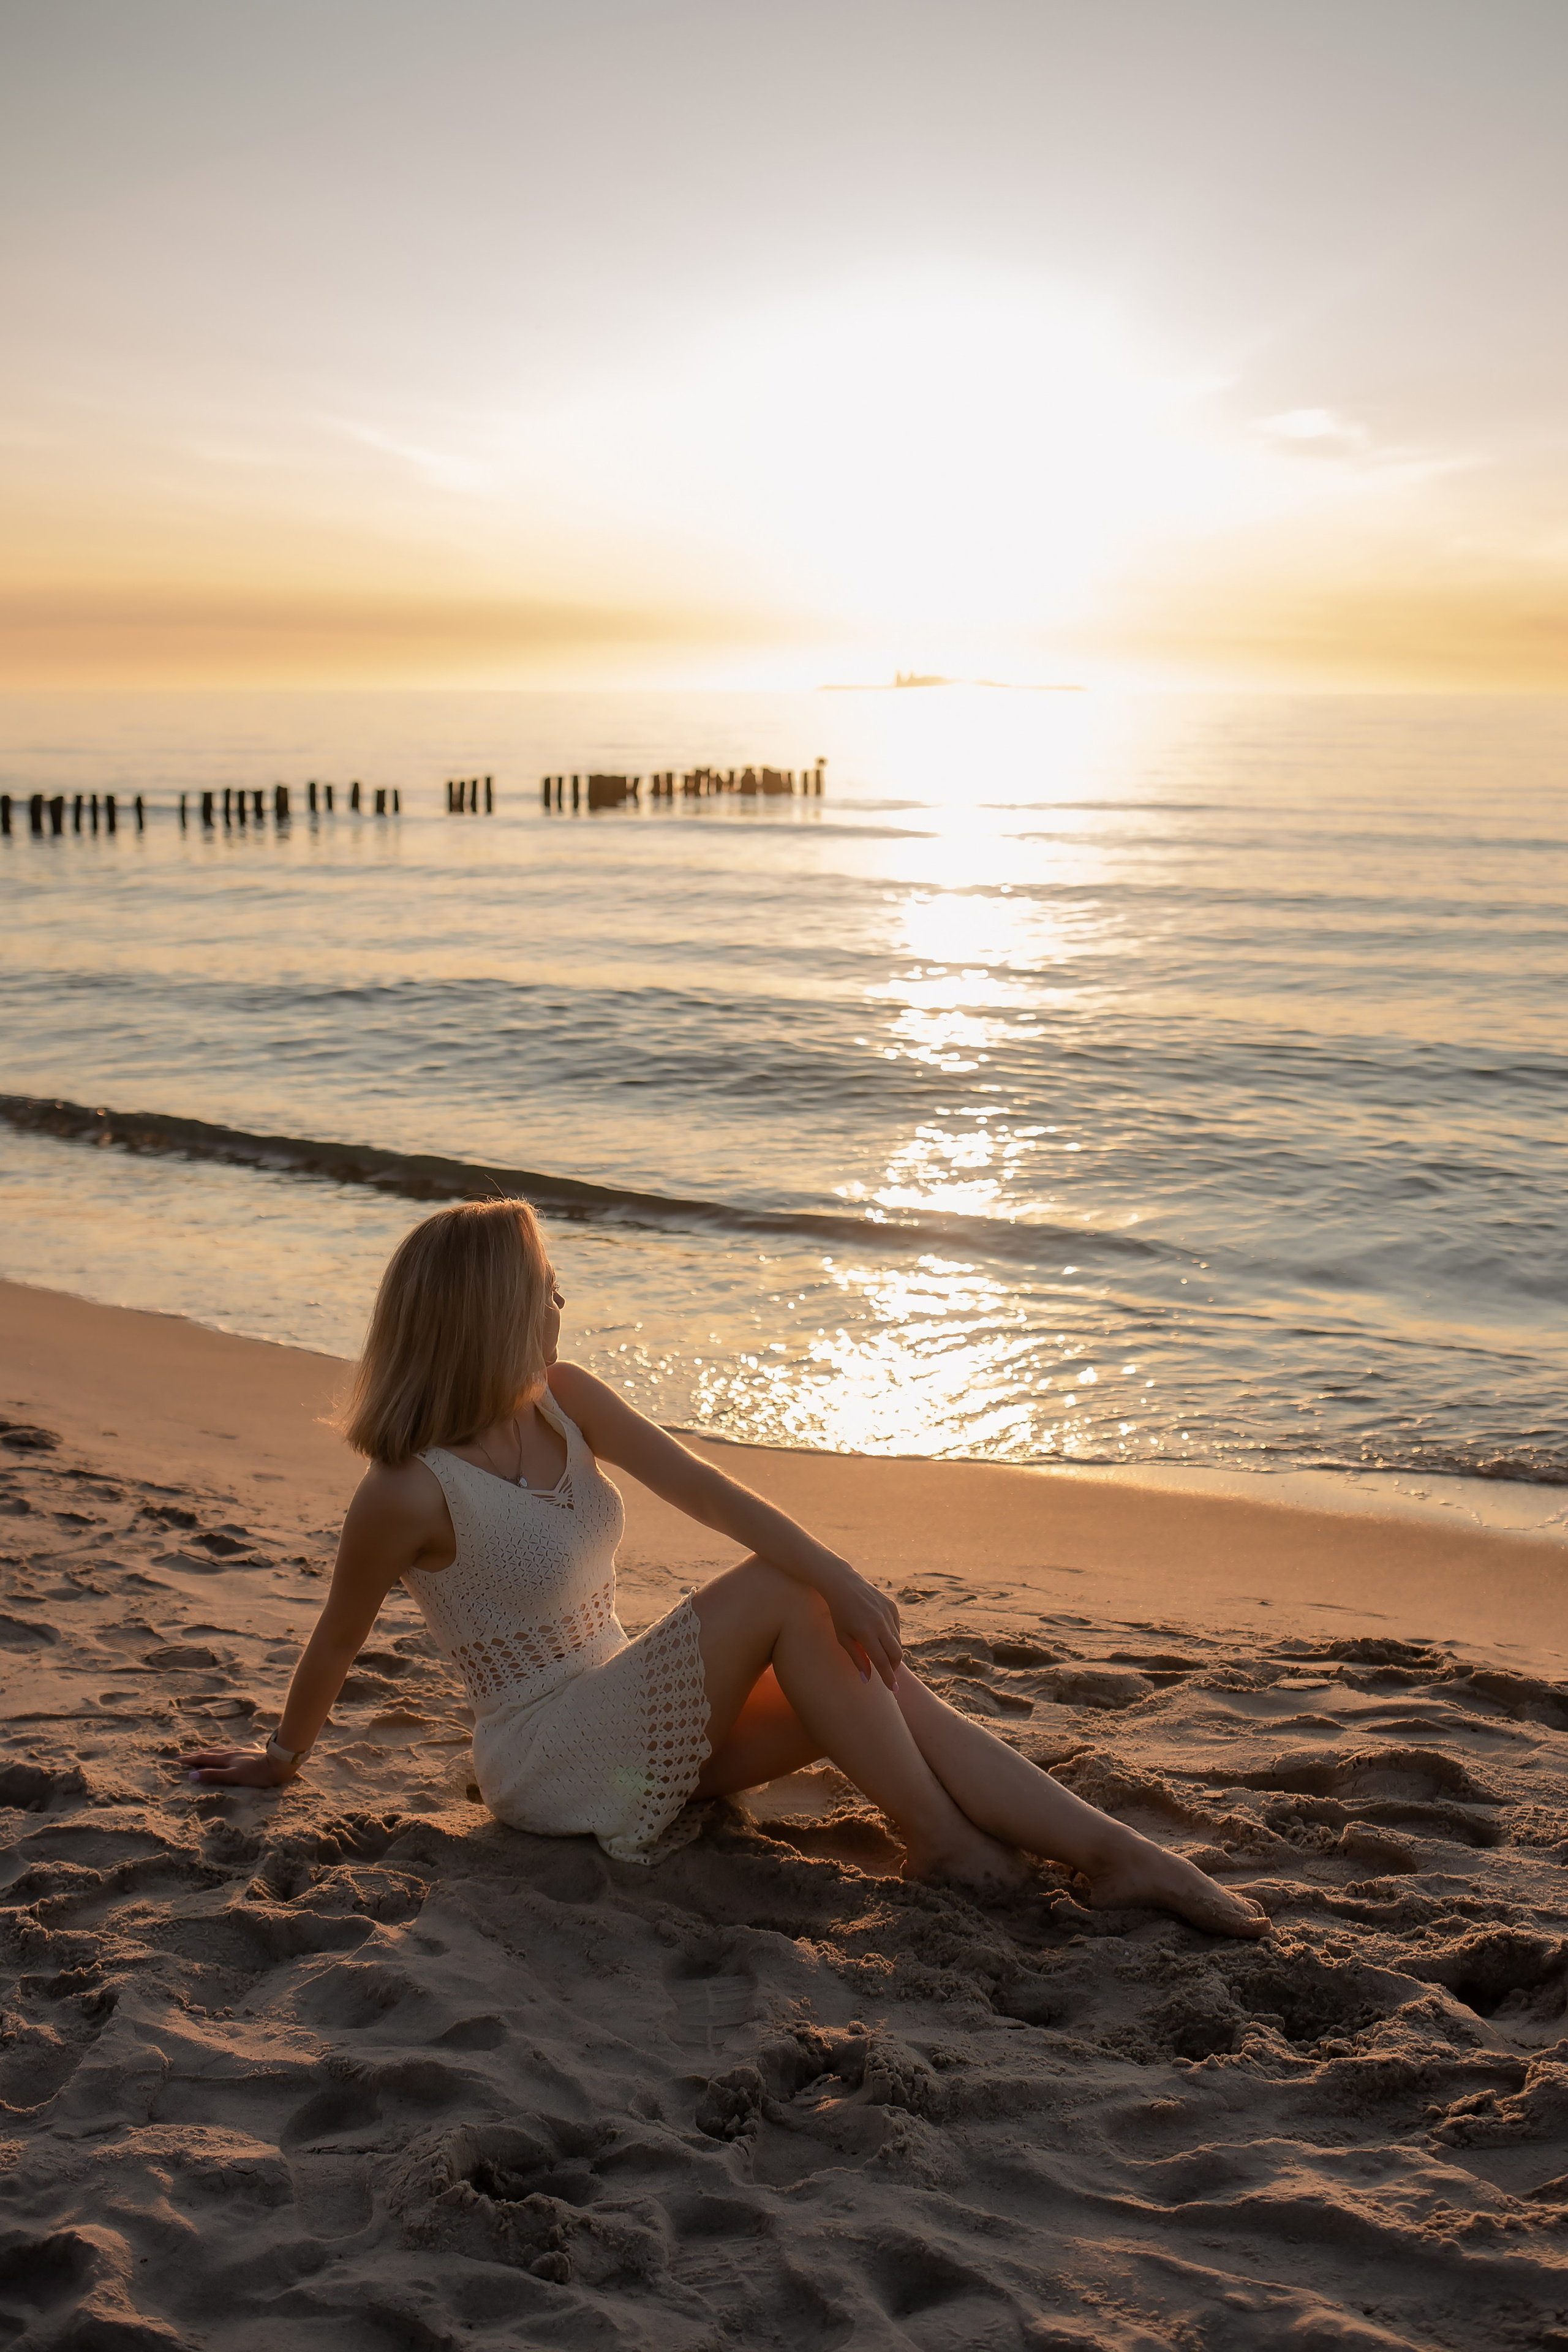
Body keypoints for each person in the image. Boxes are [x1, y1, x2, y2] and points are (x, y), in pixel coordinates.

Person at [181, 1199, 1267, 1937]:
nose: (562, 1307)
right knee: (787, 1596)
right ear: (490, 1314)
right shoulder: (408, 1491)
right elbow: (337, 1635)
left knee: (863, 1664)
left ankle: (1112, 1852)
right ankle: (941, 1842)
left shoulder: (565, 1396)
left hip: (629, 1710)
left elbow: (706, 1490)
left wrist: (843, 1579)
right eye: (546, 1289)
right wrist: (282, 1757)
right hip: (548, 1756)